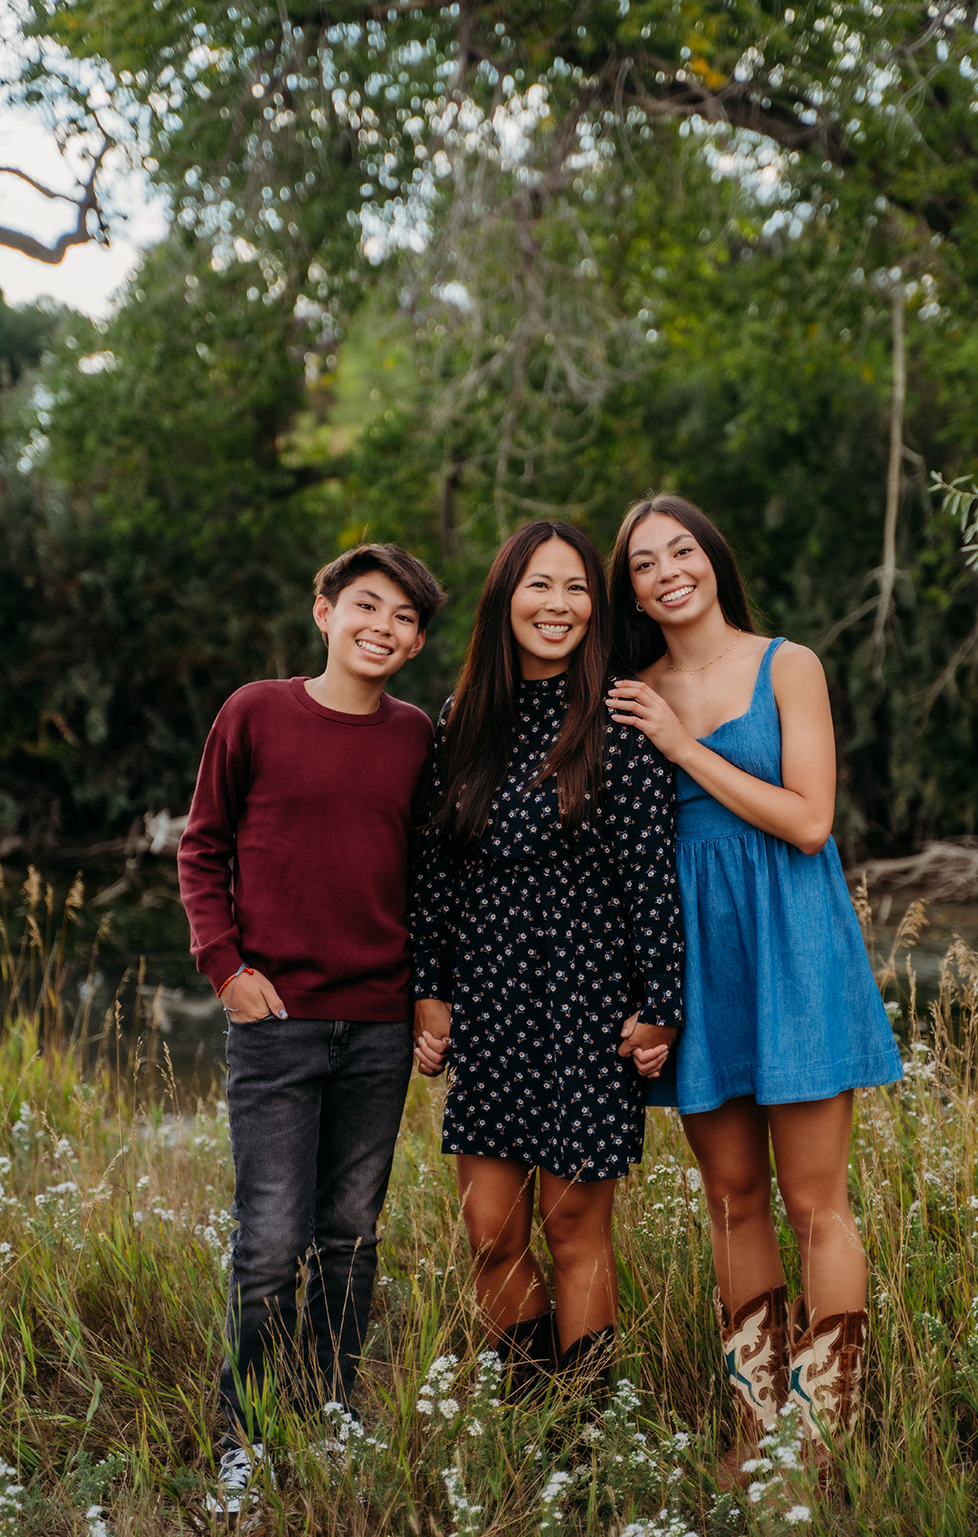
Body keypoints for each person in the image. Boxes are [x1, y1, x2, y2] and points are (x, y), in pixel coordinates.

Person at [605, 494, 903, 1484]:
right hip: (695, 960)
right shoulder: (628, 687)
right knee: (730, 1197)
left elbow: (809, 820)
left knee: (815, 1201)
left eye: (679, 550)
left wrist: (683, 747)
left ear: (711, 559)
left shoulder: (788, 663)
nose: (665, 572)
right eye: (643, 564)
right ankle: (753, 1424)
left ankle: (823, 1435)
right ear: (631, 590)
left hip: (792, 943)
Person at [178, 542, 445, 1515]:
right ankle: (246, 1435)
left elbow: (428, 878)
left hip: (376, 1029)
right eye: (366, 606)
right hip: (277, 1026)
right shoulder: (254, 711)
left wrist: (428, 993)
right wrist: (225, 969)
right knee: (269, 1244)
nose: (383, 627)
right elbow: (202, 846)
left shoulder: (416, 736)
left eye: (404, 618)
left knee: (348, 1238)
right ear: (324, 609)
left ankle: (331, 1411)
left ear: (415, 643)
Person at [410, 519, 685, 1400]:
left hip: (585, 1009)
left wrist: (661, 1004)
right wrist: (430, 992)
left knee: (573, 1233)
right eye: (539, 585)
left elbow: (652, 873)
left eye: (575, 588)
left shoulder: (618, 717)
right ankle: (529, 1420)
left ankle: (589, 1429)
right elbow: (433, 869)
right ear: (505, 599)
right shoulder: (463, 720)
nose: (558, 605)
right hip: (489, 1005)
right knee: (490, 1233)